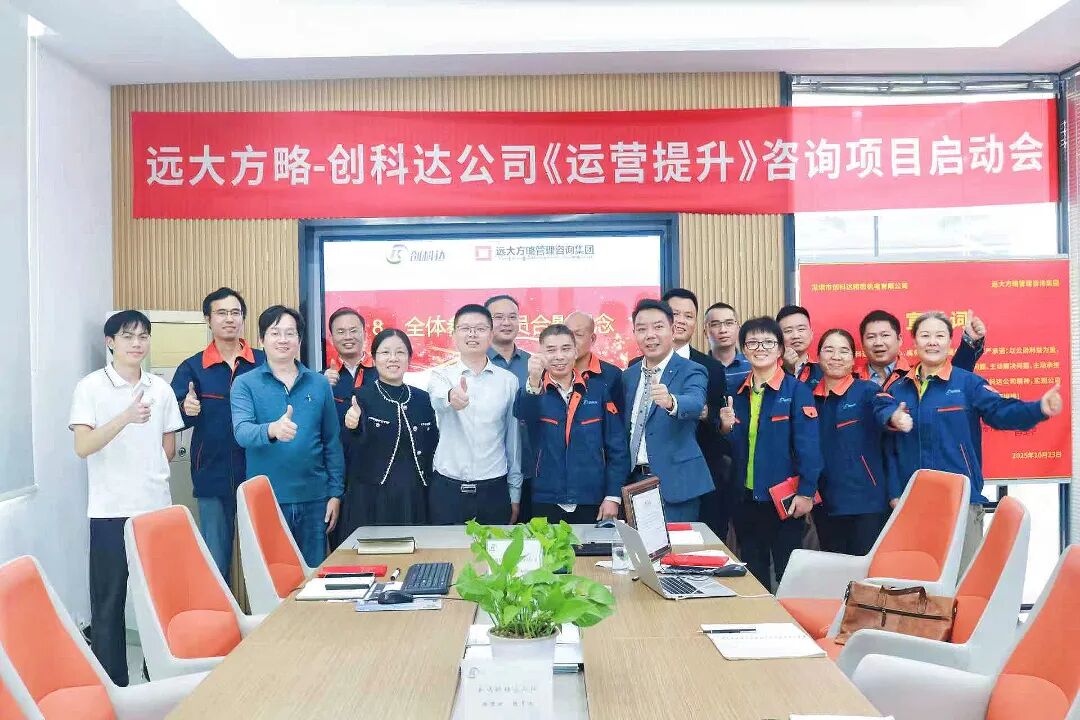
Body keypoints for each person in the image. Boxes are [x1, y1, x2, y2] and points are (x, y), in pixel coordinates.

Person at [884, 311, 1062, 569]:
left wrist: (1038, 409)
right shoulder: (898, 390)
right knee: (918, 581)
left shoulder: (968, 384)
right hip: (913, 504)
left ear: (949, 342)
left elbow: (1001, 412)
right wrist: (894, 493)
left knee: (962, 580)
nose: (932, 342)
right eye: (925, 335)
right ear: (914, 342)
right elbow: (890, 449)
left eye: (939, 336)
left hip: (961, 501)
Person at [69, 310, 184, 686]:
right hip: (110, 510)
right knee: (109, 601)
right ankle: (113, 683)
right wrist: (125, 417)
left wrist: (149, 471)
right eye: (128, 336)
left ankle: (159, 673)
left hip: (155, 510)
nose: (137, 343)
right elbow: (83, 446)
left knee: (160, 600)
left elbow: (169, 446)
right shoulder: (90, 387)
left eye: (143, 336)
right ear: (110, 342)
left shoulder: (160, 388)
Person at [231, 306, 344, 567]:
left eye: (290, 333)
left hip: (315, 499)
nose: (283, 339)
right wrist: (272, 430)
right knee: (272, 577)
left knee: (312, 576)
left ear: (299, 340)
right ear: (262, 339)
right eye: (275, 333)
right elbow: (242, 432)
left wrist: (335, 494)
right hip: (267, 499)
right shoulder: (245, 383)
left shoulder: (319, 383)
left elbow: (331, 442)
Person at [720, 316, 823, 591]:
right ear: (744, 349)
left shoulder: (797, 391)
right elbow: (734, 445)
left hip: (784, 500)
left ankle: (791, 618)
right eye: (752, 343)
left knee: (787, 571)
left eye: (768, 342)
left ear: (780, 349)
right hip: (746, 498)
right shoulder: (736, 393)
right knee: (753, 569)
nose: (760, 348)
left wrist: (806, 493)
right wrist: (725, 427)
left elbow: (810, 446)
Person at [170, 287, 264, 583]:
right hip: (211, 474)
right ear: (208, 320)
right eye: (221, 313)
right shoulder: (193, 367)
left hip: (260, 473)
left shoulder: (263, 362)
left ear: (243, 318)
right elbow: (170, 418)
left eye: (235, 313)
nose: (229, 319)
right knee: (216, 559)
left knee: (266, 561)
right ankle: (221, 613)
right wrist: (185, 409)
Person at [516, 324, 629, 524]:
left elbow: (617, 447)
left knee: (592, 545)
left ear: (576, 351)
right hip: (546, 497)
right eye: (551, 350)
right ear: (541, 354)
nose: (559, 356)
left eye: (566, 349)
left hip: (592, 498)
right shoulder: (533, 392)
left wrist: (613, 496)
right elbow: (523, 414)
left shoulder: (597, 391)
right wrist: (533, 380)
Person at [812, 329, 910, 556]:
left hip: (867, 504)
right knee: (834, 568)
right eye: (829, 350)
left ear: (853, 358)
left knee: (866, 570)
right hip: (825, 503)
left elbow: (883, 406)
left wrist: (894, 417)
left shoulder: (867, 389)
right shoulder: (809, 396)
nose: (836, 356)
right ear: (818, 356)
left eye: (844, 351)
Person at [427, 304, 522, 525]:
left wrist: (514, 492)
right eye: (465, 328)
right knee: (446, 548)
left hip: (494, 490)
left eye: (480, 328)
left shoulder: (508, 381)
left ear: (491, 334)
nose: (472, 334)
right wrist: (452, 397)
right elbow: (438, 400)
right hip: (447, 490)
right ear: (454, 335)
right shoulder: (440, 376)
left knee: (495, 548)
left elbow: (513, 441)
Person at [622, 299, 712, 521]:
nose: (650, 335)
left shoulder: (692, 369)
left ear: (672, 330)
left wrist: (671, 401)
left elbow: (695, 402)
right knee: (638, 543)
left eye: (658, 327)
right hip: (633, 482)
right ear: (634, 334)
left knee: (677, 543)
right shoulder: (628, 376)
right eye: (642, 329)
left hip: (676, 484)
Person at [339, 329, 437, 532]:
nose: (393, 358)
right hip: (371, 499)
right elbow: (350, 446)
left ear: (409, 358)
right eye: (385, 352)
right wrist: (352, 426)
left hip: (414, 497)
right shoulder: (361, 396)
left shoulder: (422, 399)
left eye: (400, 352)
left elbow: (432, 444)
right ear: (374, 359)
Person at [660, 288, 731, 540]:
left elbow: (720, 420)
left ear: (697, 324)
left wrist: (708, 414)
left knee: (701, 545)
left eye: (688, 316)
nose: (681, 321)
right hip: (654, 476)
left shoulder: (711, 367)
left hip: (701, 474)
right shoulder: (638, 366)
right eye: (675, 314)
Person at [484, 294, 534, 522]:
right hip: (488, 471)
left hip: (531, 469)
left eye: (512, 317)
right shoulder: (476, 365)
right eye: (499, 317)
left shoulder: (534, 364)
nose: (506, 322)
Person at [857, 309, 985, 388]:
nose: (878, 342)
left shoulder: (916, 375)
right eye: (871, 337)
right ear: (862, 343)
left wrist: (969, 341)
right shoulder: (852, 379)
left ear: (899, 339)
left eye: (885, 335)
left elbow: (954, 378)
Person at [324, 307, 375, 426]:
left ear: (364, 334)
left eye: (353, 330)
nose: (348, 337)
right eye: (341, 332)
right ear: (331, 338)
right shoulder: (321, 379)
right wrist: (321, 387)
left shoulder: (382, 372)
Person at [565, 310, 624, 413]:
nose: (571, 341)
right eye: (567, 334)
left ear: (592, 339)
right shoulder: (551, 373)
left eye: (578, 334)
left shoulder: (613, 375)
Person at [704, 301, 752, 391]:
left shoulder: (752, 365)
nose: (723, 330)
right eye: (715, 324)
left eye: (729, 323)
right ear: (705, 332)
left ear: (738, 329)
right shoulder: (698, 367)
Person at [776, 305, 823, 386]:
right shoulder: (769, 370)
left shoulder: (823, 372)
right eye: (788, 331)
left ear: (811, 333)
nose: (796, 336)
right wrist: (786, 369)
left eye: (801, 329)